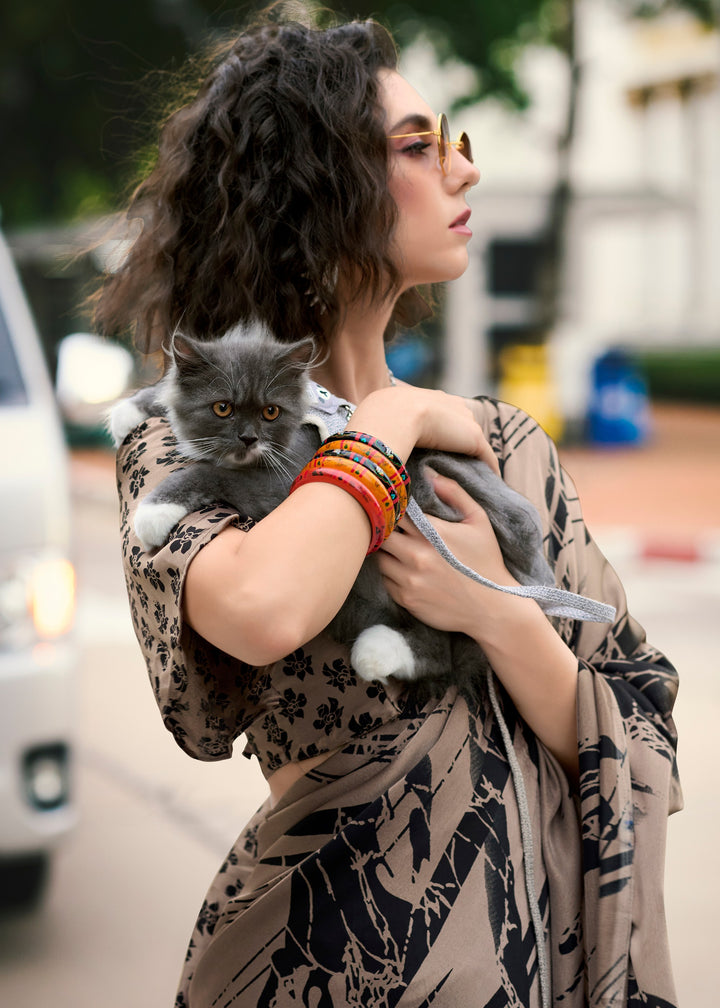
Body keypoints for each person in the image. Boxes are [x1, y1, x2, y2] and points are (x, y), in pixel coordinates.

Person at [97, 8, 681, 1007]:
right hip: (321, 961)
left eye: (455, 143)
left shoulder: (499, 443)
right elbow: (264, 607)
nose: (463, 171)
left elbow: (638, 734)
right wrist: (393, 420)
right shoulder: (181, 434)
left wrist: (497, 608)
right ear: (315, 189)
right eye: (417, 147)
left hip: (524, 969)